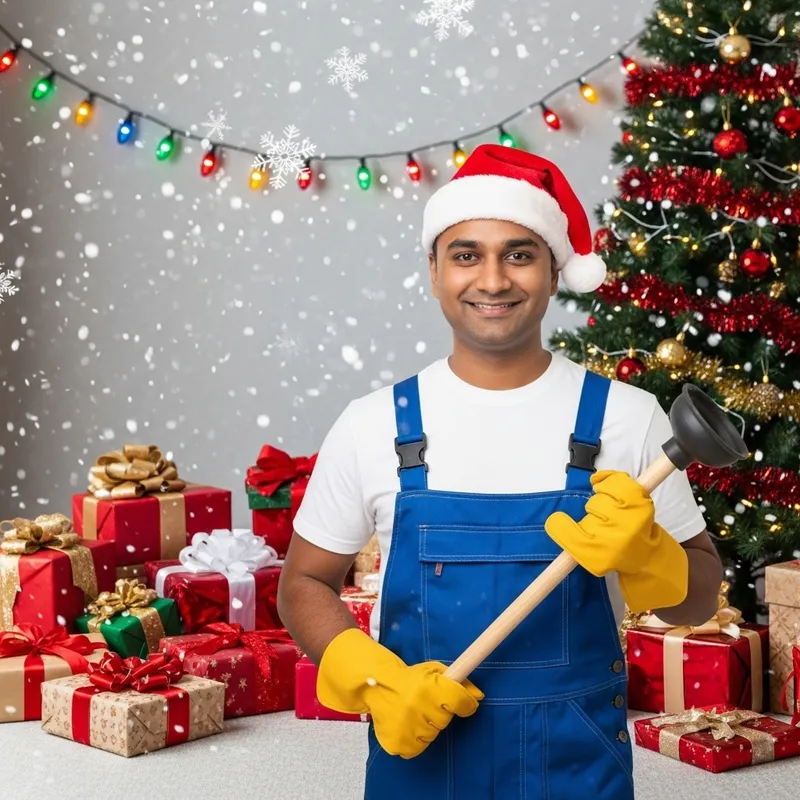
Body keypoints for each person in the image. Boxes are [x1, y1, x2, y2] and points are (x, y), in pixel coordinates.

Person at [277, 143, 722, 799]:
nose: (492, 281)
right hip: (423, 760)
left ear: (553, 270)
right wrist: (374, 679)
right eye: (466, 255)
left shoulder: (629, 418)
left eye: (519, 254)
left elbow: (701, 599)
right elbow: (303, 583)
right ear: (434, 271)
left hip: (577, 764)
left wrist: (649, 556)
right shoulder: (372, 424)